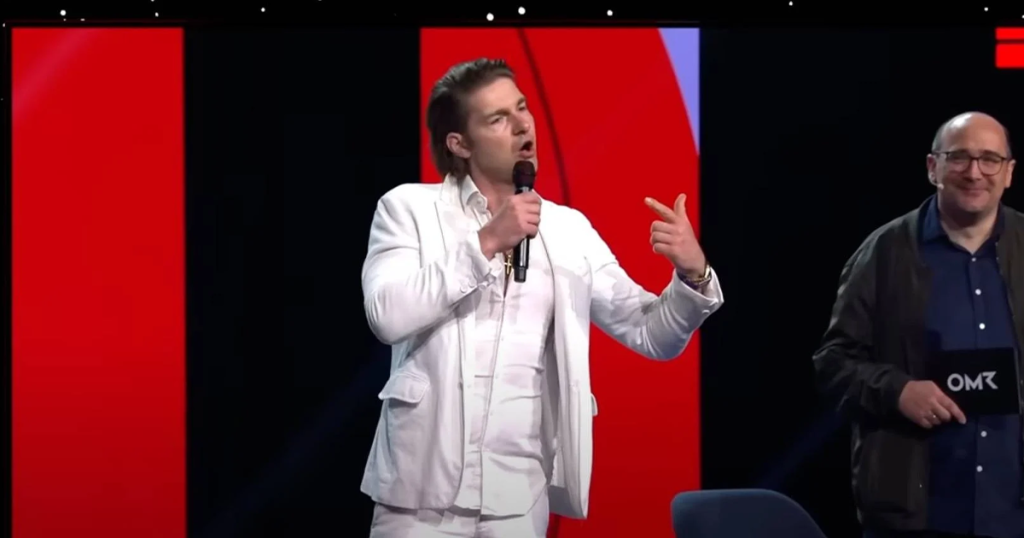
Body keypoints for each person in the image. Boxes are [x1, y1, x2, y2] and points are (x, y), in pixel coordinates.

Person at [359, 58, 724, 537]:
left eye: (522, 108)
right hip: (418, 496)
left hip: (516, 498)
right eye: (498, 118)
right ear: (459, 143)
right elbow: (387, 315)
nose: (522, 125)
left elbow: (650, 333)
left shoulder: (568, 230)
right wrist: (487, 242)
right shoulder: (408, 209)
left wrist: (693, 274)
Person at [813, 111, 1022, 538]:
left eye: (989, 159)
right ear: (933, 167)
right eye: (959, 157)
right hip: (915, 512)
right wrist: (897, 391)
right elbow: (833, 363)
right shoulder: (883, 253)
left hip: (1013, 509)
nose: (974, 172)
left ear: (1009, 172)